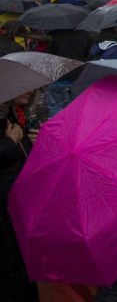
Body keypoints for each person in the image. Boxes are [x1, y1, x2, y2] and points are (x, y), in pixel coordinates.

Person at [1, 92, 39, 301]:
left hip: (18, 203)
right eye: (23, 87)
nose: (30, 90)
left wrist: (34, 143)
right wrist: (9, 142)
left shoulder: (15, 116)